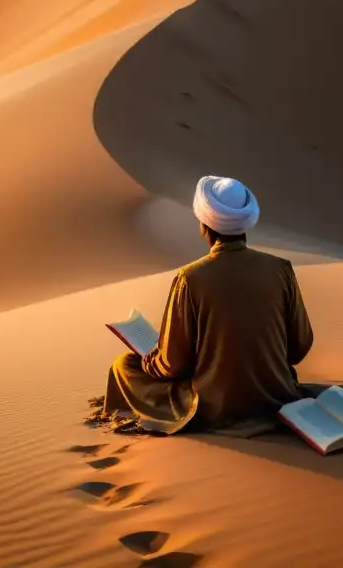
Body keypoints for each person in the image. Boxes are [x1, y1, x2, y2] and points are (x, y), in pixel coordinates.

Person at [103, 175, 314, 433]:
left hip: (212, 406)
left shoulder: (190, 278)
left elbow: (172, 363)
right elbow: (299, 347)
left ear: (205, 225)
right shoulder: (281, 269)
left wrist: (149, 360)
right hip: (277, 395)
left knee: (123, 365)